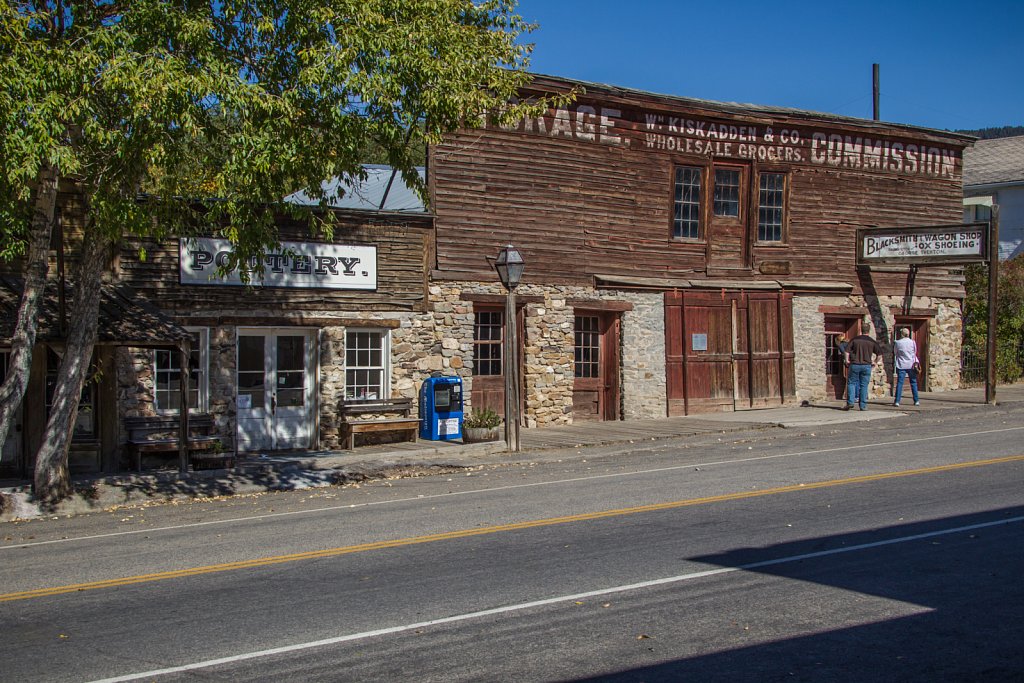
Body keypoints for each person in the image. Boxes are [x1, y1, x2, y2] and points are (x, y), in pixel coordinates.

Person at [844, 321, 883, 411]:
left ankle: (850, 402)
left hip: (855, 364)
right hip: (866, 365)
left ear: (861, 330)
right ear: (869, 330)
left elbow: (846, 351)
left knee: (851, 383)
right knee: (864, 385)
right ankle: (863, 405)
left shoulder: (854, 340)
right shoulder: (872, 341)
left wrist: (847, 360)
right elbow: (880, 354)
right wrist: (875, 362)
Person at [892, 327, 920, 407]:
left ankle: (897, 401)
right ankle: (916, 400)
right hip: (911, 364)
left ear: (901, 334)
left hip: (901, 364)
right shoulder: (912, 342)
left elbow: (895, 352)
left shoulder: (898, 343)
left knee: (900, 383)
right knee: (913, 382)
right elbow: (915, 352)